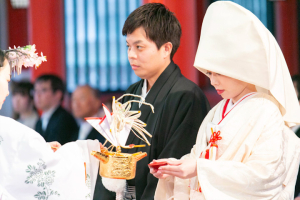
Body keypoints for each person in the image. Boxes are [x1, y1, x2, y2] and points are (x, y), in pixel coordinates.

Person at [150, 2, 300, 199]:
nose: (212, 81)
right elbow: (199, 157)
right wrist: (175, 170)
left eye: (219, 72)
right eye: (209, 73)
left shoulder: (266, 110)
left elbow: (265, 176)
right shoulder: (218, 110)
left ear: (241, 68)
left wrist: (199, 168)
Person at [94, 3, 210, 200]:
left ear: (166, 49)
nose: (131, 54)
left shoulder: (187, 97)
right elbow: (111, 154)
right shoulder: (131, 94)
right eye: (128, 47)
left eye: (139, 47)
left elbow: (171, 170)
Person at [0, 48, 101, 199]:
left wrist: (42, 149)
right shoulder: (8, 128)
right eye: (7, 80)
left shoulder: (61, 120)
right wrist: (88, 149)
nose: (8, 92)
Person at [34, 74, 78, 145]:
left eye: (43, 90)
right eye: (35, 90)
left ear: (58, 94)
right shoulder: (40, 121)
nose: (37, 95)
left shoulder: (64, 119)